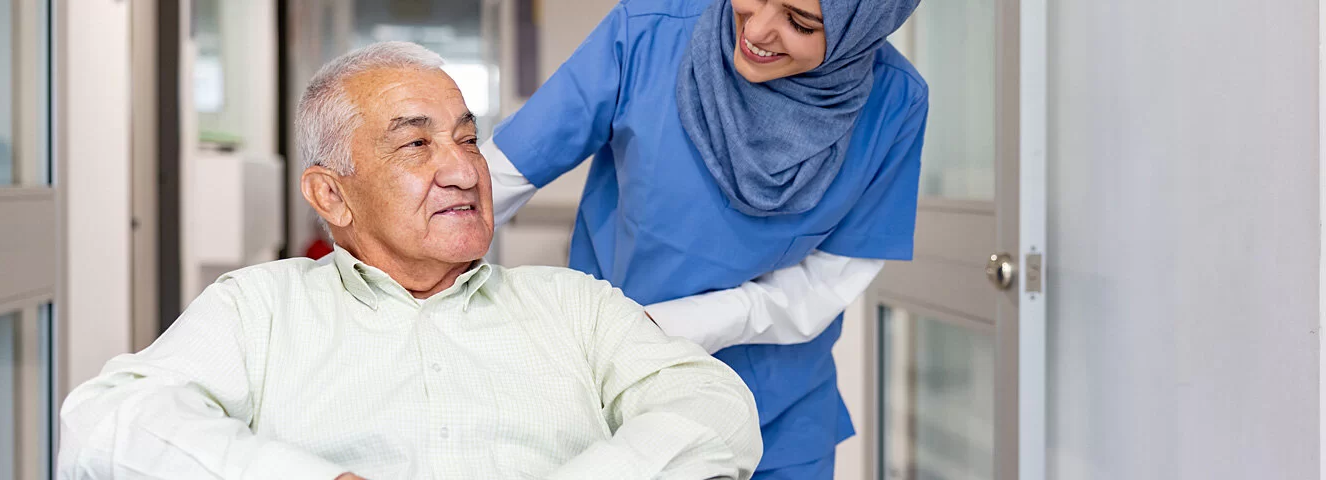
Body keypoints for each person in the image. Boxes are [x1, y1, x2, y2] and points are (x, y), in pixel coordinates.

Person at [57, 42, 762, 480]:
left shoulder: (575, 305)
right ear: (331, 193)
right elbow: (103, 423)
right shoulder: (260, 307)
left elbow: (714, 410)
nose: (463, 172)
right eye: (417, 146)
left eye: (467, 140)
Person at [485, 0, 926, 476]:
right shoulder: (649, 31)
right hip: (614, 392)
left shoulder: (895, 103)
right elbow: (496, 179)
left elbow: (827, 282)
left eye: (799, 22)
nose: (757, 29)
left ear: (859, 29)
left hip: (776, 412)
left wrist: (676, 323)